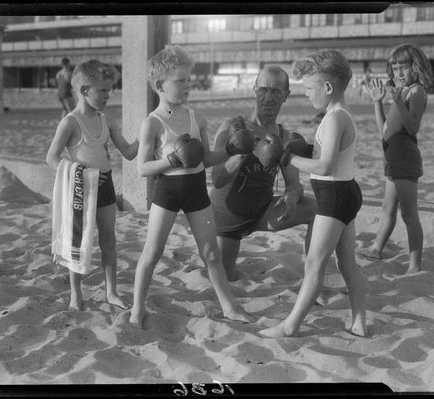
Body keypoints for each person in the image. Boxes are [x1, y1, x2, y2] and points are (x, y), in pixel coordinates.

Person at [129, 45, 253, 328]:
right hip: (168, 192)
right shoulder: (153, 123)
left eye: (189, 79)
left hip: (197, 190)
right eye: (180, 81)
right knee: (152, 253)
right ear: (161, 86)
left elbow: (207, 158)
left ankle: (229, 307)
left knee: (211, 253)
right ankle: (138, 308)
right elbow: (141, 168)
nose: (188, 85)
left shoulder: (198, 117)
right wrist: (172, 159)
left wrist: (232, 149)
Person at [259, 49, 367, 338]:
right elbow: (329, 154)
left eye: (309, 88)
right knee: (346, 262)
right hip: (346, 192)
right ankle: (359, 322)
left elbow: (325, 164)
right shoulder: (340, 114)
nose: (306, 94)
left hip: (334, 195)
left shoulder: (334, 119)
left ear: (328, 87)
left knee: (314, 263)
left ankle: (290, 325)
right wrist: (303, 148)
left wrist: (286, 156)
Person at [46, 59, 139, 311]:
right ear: (85, 91)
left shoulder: (106, 121)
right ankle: (76, 294)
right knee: (79, 241)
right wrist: (80, 173)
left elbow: (129, 152)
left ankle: (111, 292)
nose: (108, 95)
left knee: (109, 240)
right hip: (80, 188)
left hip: (106, 185)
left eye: (110, 89)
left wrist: (148, 132)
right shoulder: (70, 122)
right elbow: (52, 157)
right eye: (103, 90)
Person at [209, 65, 316, 281]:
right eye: (263, 89)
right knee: (225, 278)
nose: (268, 97)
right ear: (254, 90)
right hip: (228, 216)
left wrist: (292, 196)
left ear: (286, 95)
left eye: (276, 91)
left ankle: (312, 277)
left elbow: (294, 183)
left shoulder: (284, 137)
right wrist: (241, 153)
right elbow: (217, 179)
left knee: (318, 208)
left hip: (263, 211)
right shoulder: (232, 127)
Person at [359, 44, 434, 275]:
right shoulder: (400, 91)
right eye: (395, 67)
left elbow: (412, 128)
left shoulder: (416, 91)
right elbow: (384, 129)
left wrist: (399, 103)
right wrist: (377, 102)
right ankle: (376, 248)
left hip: (405, 159)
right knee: (386, 207)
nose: (399, 72)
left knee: (409, 214)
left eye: (404, 67)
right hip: (392, 158)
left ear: (416, 66)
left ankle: (415, 265)